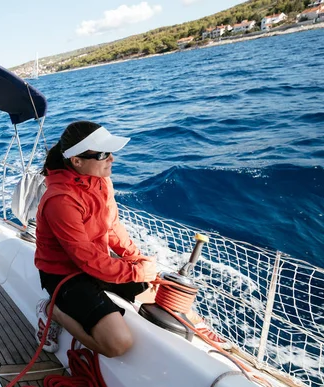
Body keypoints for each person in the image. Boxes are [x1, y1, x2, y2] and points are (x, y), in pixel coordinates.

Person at [34, 121, 228, 357]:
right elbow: (86, 261)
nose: (112, 159)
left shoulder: (101, 180)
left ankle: (198, 327)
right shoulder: (60, 200)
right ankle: (53, 312)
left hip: (94, 263)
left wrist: (135, 259)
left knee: (157, 292)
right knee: (118, 344)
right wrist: (135, 273)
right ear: (77, 161)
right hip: (64, 274)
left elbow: (112, 226)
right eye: (103, 154)